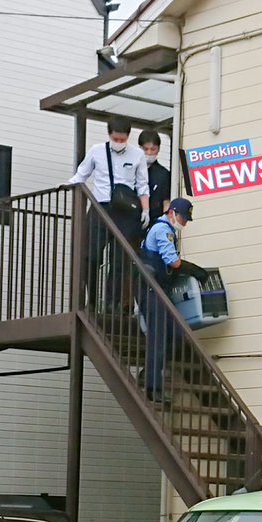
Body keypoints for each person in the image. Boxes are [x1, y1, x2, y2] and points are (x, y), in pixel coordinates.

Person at [68, 116, 150, 310]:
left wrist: (145, 209)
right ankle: (92, 299)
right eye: (116, 139)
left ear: (128, 137)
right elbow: (81, 175)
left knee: (120, 259)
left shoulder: (137, 155)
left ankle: (112, 302)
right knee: (90, 255)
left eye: (122, 140)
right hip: (100, 207)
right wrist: (67, 184)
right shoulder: (97, 151)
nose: (119, 143)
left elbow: (142, 184)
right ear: (109, 135)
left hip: (125, 211)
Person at [139, 197, 208, 402]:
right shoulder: (163, 230)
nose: (184, 223)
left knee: (176, 334)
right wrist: (195, 271)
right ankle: (153, 388)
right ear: (172, 213)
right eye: (183, 218)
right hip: (150, 290)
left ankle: (149, 374)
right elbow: (173, 262)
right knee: (158, 338)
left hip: (157, 289)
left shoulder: (166, 229)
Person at [138, 129, 171, 226]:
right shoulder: (132, 169)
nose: (149, 153)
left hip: (154, 222)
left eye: (153, 149)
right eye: (145, 149)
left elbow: (166, 202)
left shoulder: (163, 174)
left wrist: (165, 224)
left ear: (158, 149)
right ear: (139, 148)